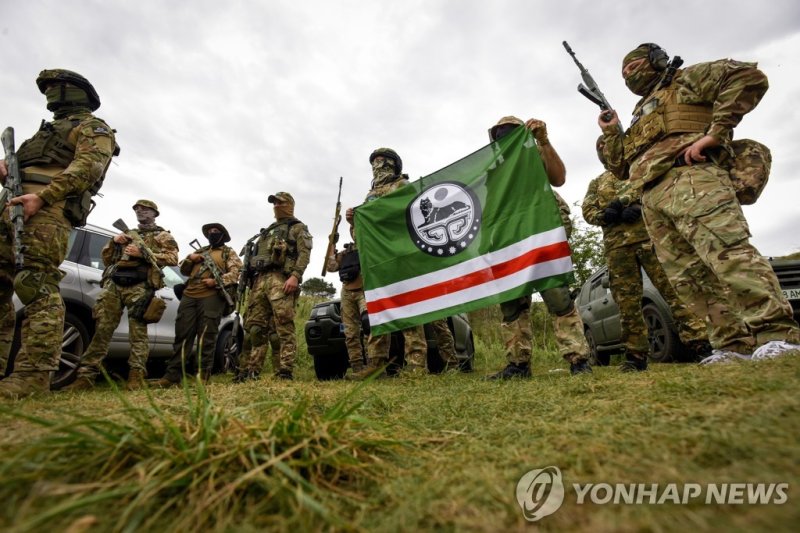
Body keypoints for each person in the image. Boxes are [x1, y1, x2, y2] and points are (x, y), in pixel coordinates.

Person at [599, 43, 800, 362]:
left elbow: (747, 77)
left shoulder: (685, 80)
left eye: (634, 67)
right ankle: (732, 344)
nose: (628, 76)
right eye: (623, 73)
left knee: (728, 253)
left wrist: (718, 132)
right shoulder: (640, 114)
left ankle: (777, 333)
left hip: (692, 179)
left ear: (656, 61)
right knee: (688, 276)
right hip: (651, 197)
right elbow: (621, 167)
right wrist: (611, 133)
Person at [0, 69, 117, 399]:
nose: (49, 93)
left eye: (55, 87)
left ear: (75, 93)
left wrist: (43, 196)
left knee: (35, 284)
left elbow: (88, 168)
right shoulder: (42, 134)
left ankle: (33, 376)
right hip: (10, 208)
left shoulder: (93, 127)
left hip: (47, 211)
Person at [582, 136, 711, 371]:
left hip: (651, 238)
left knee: (673, 292)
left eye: (606, 145)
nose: (604, 149)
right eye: (599, 147)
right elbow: (588, 210)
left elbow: (656, 190)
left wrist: (639, 206)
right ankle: (636, 356)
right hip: (618, 248)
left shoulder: (639, 168)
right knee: (627, 302)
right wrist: (607, 215)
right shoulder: (597, 182)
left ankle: (700, 344)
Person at [485, 116, 592, 379]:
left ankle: (578, 359)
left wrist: (543, 140)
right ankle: (518, 365)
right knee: (511, 305)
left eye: (511, 132)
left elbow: (559, 178)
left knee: (557, 296)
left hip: (541, 233)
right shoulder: (493, 170)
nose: (505, 137)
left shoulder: (536, 157)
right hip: (510, 240)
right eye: (500, 134)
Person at [64, 200, 178, 391]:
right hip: (114, 284)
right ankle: (86, 376)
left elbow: (173, 259)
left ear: (154, 213)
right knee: (102, 330)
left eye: (144, 209)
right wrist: (114, 243)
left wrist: (142, 253)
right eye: (136, 209)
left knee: (138, 333)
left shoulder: (162, 235)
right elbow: (107, 259)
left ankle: (136, 377)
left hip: (140, 286)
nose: (140, 211)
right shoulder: (127, 233)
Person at [346, 148, 431, 378]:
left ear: (393, 164)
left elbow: (414, 219)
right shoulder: (369, 195)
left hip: (400, 256)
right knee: (377, 310)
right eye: (373, 161)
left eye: (381, 161)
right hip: (377, 263)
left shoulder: (402, 187)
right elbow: (361, 238)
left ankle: (416, 365)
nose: (377, 165)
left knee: (408, 307)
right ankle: (376, 363)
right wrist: (354, 222)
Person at [236, 192, 312, 380]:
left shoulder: (297, 227)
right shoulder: (265, 232)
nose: (276, 206)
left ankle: (284, 371)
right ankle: (250, 370)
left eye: (280, 202)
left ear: (290, 205)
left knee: (283, 328)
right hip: (259, 281)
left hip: (281, 279)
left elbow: (304, 254)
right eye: (274, 203)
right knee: (254, 328)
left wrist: (295, 276)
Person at [157, 223, 242, 386]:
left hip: (211, 296)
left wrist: (217, 281)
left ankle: (202, 376)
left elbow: (236, 273)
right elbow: (183, 270)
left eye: (216, 231)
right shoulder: (200, 251)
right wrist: (190, 258)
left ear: (223, 235)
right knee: (182, 336)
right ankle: (172, 376)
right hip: (189, 295)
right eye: (210, 232)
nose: (212, 233)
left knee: (207, 337)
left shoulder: (228, 253)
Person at [325, 238, 368, 376]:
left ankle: (374, 365)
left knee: (369, 326)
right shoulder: (346, 253)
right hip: (348, 292)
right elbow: (331, 266)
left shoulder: (370, 245)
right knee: (349, 332)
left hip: (366, 289)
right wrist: (331, 244)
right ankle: (357, 368)